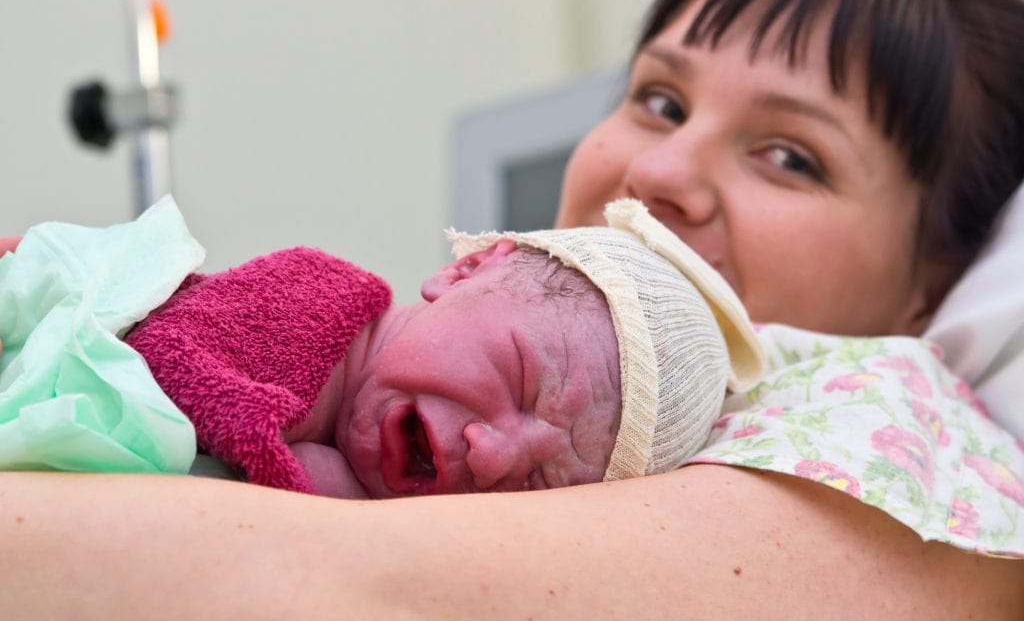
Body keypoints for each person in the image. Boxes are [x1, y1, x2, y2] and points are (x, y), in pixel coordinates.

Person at [3, 0, 1024, 618]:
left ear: (931, 284)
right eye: (660, 101)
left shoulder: (892, 439)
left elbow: (322, 583)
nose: (658, 172)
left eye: (790, 157)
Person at [0, 197, 764, 499]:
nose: (495, 456)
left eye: (535, 485)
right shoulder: (320, 297)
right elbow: (170, 360)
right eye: (523, 378)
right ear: (465, 269)